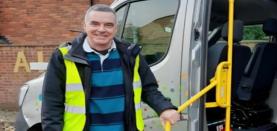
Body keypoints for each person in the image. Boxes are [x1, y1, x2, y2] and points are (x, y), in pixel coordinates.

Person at [41, 4, 180, 131]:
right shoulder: (63, 57)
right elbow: (52, 105)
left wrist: (164, 108)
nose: (101, 30)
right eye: (95, 24)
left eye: (108, 25)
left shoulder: (130, 54)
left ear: (115, 28)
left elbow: (149, 89)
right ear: (84, 26)